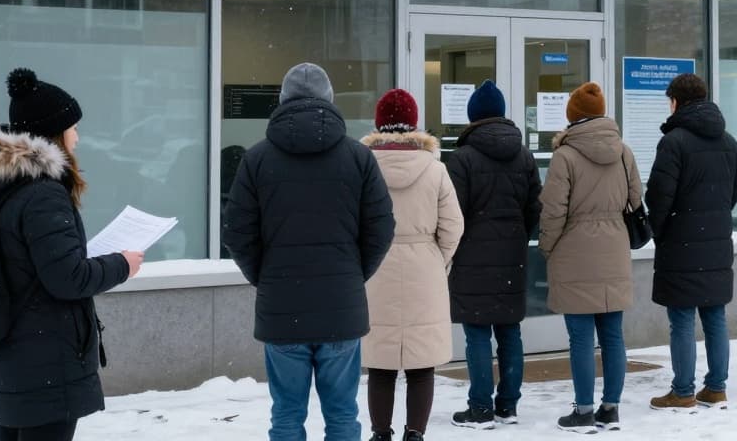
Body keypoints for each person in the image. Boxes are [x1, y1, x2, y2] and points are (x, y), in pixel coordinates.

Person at [0, 67, 143, 441]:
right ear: (54, 134)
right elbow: (67, 278)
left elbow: (34, 263)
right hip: (44, 362)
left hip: (12, 356)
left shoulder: (5, 185)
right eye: (72, 127)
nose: (78, 135)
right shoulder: (42, 194)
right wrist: (122, 264)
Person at [223, 62, 396, 441]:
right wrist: (352, 273)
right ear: (330, 101)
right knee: (342, 415)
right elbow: (381, 228)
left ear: (282, 101)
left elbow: (236, 233)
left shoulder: (257, 159)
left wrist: (265, 275)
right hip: (341, 307)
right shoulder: (358, 157)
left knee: (285, 413)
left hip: (282, 308)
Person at [360, 89, 464, 441]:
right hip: (425, 268)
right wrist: (438, 259)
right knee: (422, 366)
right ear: (414, 123)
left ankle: (380, 433)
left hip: (376, 269)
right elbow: (453, 226)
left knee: (381, 363)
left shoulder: (362, 167)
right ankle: (415, 433)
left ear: (379, 124)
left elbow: (353, 222)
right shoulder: (435, 170)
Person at [538, 82, 641, 433]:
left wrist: (548, 247)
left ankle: (582, 411)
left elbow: (553, 211)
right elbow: (636, 199)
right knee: (613, 335)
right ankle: (610, 409)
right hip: (614, 247)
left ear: (573, 116)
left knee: (581, 337)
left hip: (574, 251)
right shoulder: (624, 151)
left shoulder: (564, 156)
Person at [446, 79, 543, 429]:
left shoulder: (461, 159)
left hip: (472, 259)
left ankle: (480, 407)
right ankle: (508, 405)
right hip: (512, 257)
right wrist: (517, 236)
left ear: (472, 116)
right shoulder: (524, 156)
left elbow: (453, 213)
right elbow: (535, 207)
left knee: (476, 335)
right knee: (509, 332)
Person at [645, 72, 737, 411]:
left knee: (683, 319)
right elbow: (734, 192)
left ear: (677, 101)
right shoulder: (728, 141)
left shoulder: (674, 141)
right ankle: (716, 387)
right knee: (715, 316)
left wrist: (656, 228)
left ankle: (683, 391)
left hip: (681, 242)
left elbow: (660, 195)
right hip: (715, 242)